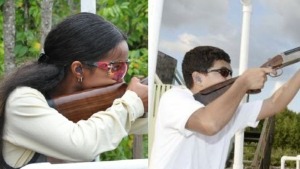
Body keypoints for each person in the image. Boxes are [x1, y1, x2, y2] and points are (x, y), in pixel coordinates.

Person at [0, 12, 148, 169]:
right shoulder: (22, 101)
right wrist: (133, 102)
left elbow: (143, 124)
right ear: (78, 69)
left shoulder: (90, 105)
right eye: (116, 68)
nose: (121, 77)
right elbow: (82, 146)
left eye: (125, 67)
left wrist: (151, 101)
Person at [149, 46, 300, 169]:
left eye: (230, 73)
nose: (229, 78)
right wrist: (244, 82)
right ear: (198, 78)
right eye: (223, 72)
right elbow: (209, 124)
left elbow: (275, 104)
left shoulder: (227, 112)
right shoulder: (174, 97)